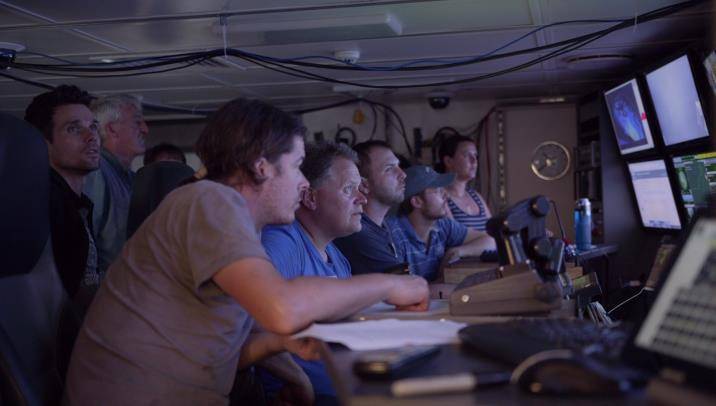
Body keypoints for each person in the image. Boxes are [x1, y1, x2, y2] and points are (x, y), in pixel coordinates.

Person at [65, 98, 429, 405]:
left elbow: (222, 342)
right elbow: (283, 309)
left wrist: (285, 361)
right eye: (299, 166)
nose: (304, 183)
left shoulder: (238, 222)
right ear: (261, 166)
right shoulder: (209, 202)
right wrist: (387, 285)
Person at [259, 142, 367, 403]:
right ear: (310, 198)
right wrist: (299, 379)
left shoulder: (337, 258)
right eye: (349, 189)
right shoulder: (283, 242)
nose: (362, 198)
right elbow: (248, 324)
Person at [24, 84, 103, 314]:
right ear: (43, 142)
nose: (92, 137)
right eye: (74, 129)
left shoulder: (75, 203)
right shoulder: (43, 203)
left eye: (94, 127)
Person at [393, 165, 496, 281]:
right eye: (437, 191)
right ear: (417, 201)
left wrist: (458, 251)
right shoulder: (395, 235)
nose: (446, 196)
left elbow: (491, 240)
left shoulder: (442, 225)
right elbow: (402, 292)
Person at [84, 94, 148, 274]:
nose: (145, 129)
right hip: (104, 294)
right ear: (112, 129)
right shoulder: (95, 172)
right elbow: (85, 242)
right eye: (137, 122)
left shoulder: (133, 179)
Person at [334, 141, 408, 275]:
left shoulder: (384, 226)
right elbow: (408, 289)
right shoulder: (358, 234)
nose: (403, 174)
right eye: (389, 168)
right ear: (364, 185)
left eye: (398, 166)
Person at [436, 135, 492, 231]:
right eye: (467, 155)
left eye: (475, 156)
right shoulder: (439, 196)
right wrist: (487, 240)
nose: (474, 161)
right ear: (448, 161)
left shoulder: (476, 196)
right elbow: (454, 237)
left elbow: (494, 232)